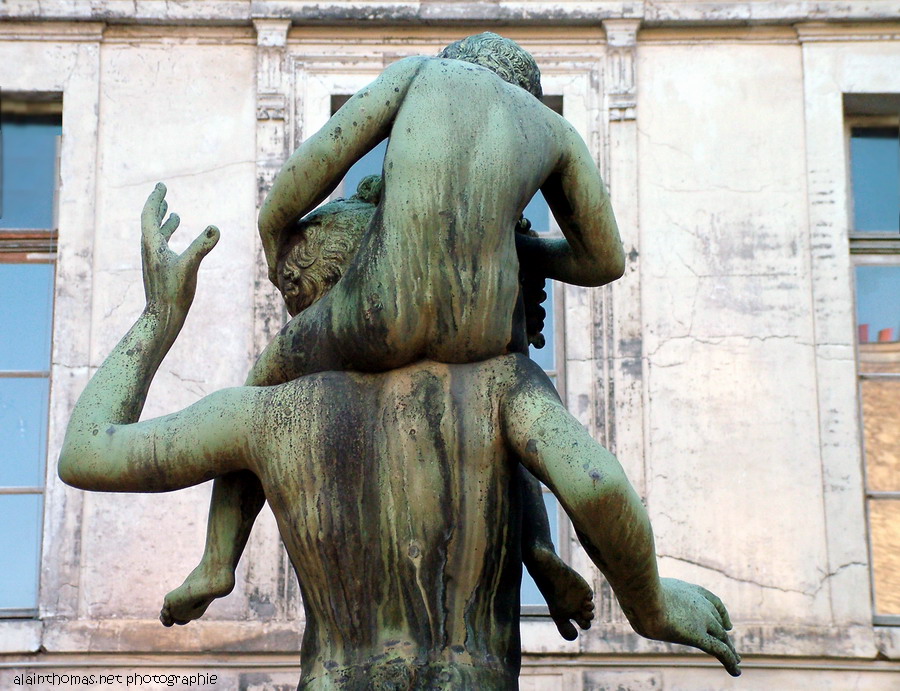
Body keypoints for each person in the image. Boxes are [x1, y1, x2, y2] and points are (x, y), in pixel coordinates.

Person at [58, 187, 741, 688]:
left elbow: (87, 450)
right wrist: (649, 603)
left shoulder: (263, 414)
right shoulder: (499, 384)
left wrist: (160, 316)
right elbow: (598, 488)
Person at [173, 32, 627, 631]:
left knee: (261, 388)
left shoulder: (418, 76)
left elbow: (311, 168)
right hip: (479, 327)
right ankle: (539, 547)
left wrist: (275, 229)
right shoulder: (553, 131)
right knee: (514, 407)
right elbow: (604, 261)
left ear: (458, 63)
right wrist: (523, 249)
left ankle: (216, 561)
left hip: (378, 310)